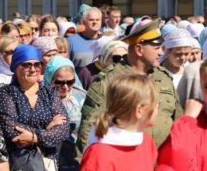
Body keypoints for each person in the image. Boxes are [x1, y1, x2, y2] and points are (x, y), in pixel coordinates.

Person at [78, 18, 182, 153]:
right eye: (156, 48)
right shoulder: (109, 80)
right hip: (124, 162)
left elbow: (178, 120)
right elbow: (89, 127)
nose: (161, 53)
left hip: (162, 164)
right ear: (139, 49)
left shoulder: (163, 77)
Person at [68, 7, 103, 72]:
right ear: (84, 22)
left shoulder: (107, 41)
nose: (95, 22)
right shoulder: (71, 41)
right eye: (91, 20)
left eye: (97, 20)